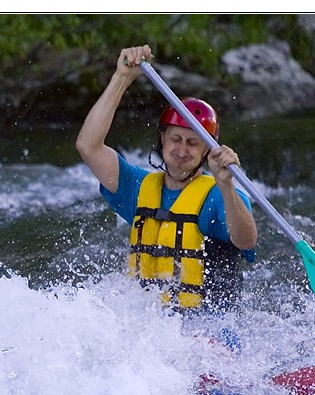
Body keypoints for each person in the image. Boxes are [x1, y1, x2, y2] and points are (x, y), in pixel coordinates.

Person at [75, 45, 258, 315]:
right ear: (162, 139)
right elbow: (88, 146)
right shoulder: (138, 187)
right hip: (152, 332)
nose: (182, 151)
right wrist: (122, 78)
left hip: (212, 330)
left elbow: (246, 241)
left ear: (207, 149)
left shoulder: (220, 194)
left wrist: (227, 185)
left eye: (193, 143)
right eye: (175, 139)